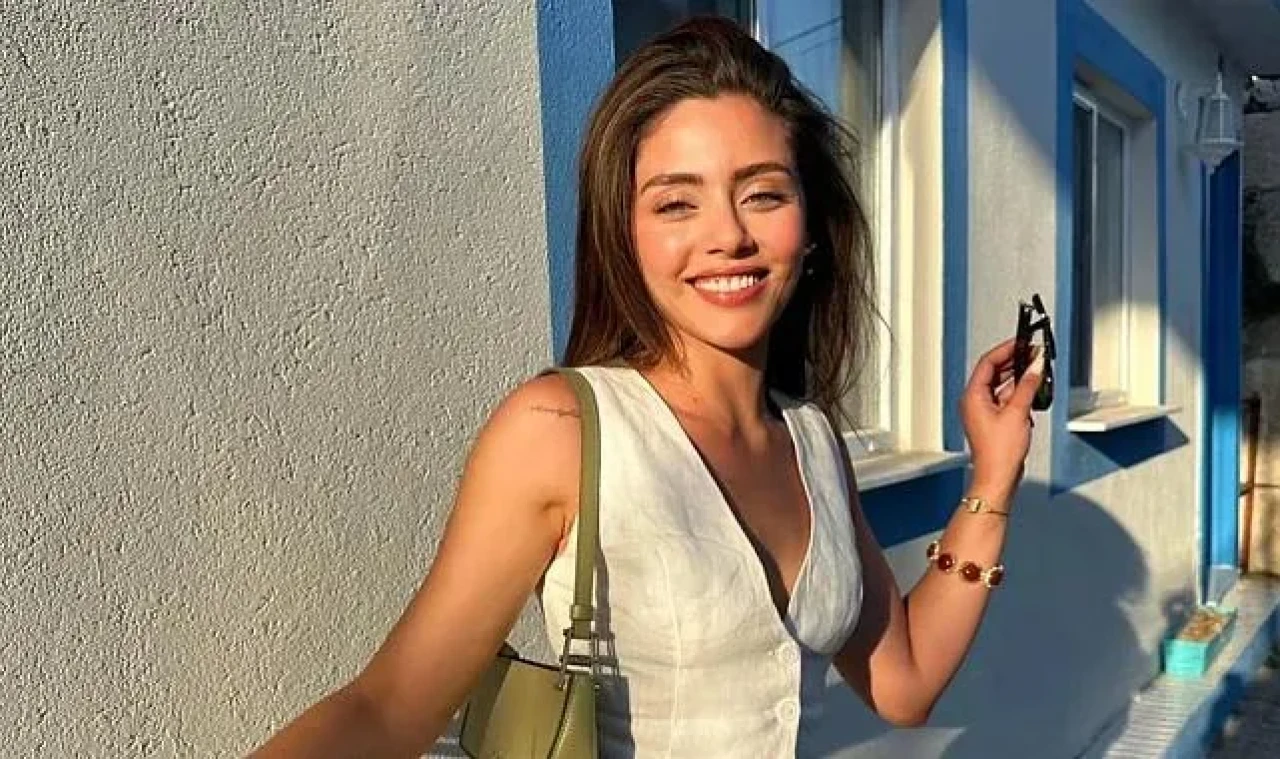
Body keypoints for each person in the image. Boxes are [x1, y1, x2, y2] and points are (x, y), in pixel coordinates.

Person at [252, 15, 1043, 758]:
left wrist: (995, 471)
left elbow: (903, 681)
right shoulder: (561, 428)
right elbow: (389, 706)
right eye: (676, 203)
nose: (727, 234)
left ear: (810, 229)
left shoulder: (810, 439)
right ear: (623, 235)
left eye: (763, 193)